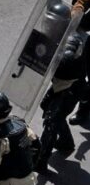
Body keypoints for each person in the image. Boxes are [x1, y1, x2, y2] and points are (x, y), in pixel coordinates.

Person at [35, 19, 89, 171]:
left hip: (73, 85)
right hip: (62, 81)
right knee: (46, 106)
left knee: (52, 121)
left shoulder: (84, 43)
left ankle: (41, 160)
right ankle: (66, 141)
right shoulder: (63, 35)